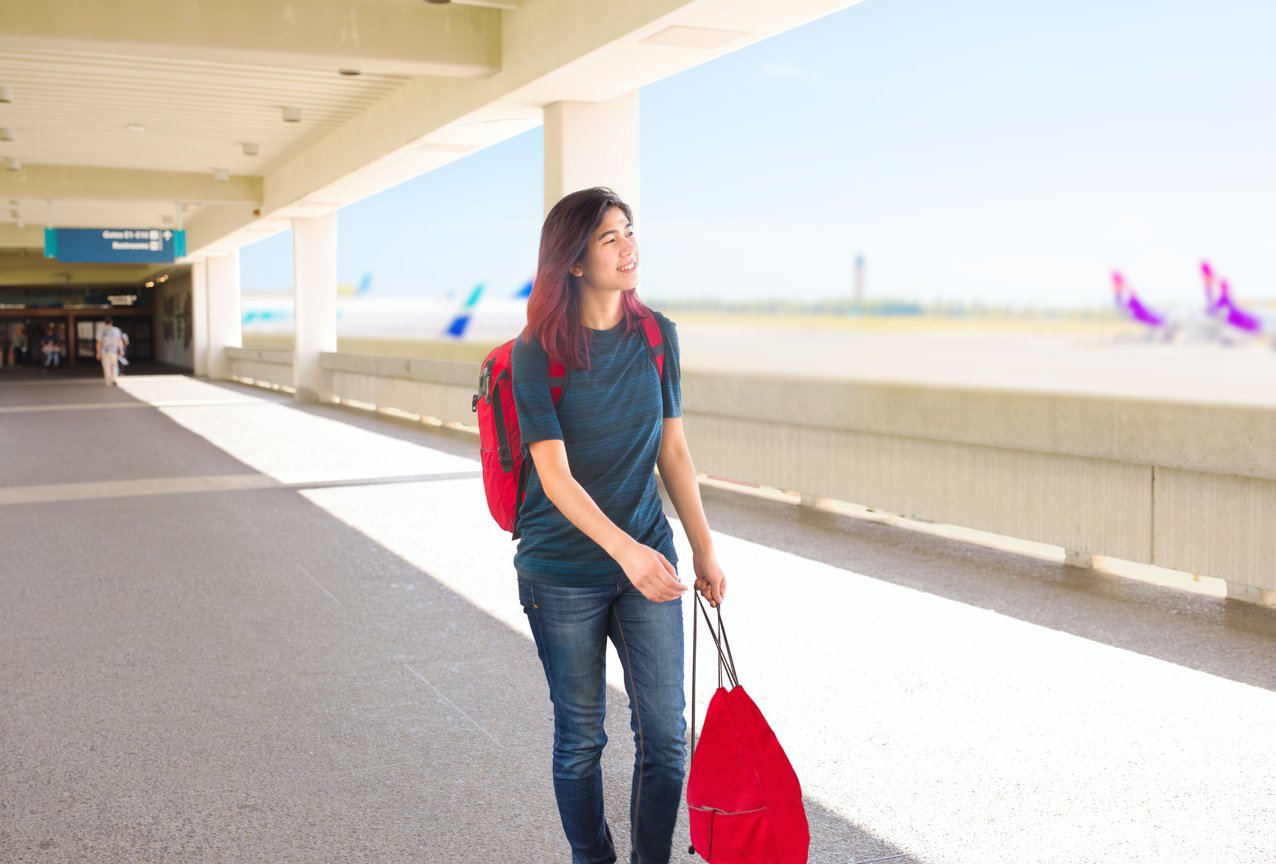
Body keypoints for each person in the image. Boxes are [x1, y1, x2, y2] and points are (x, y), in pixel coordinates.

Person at [512, 187, 727, 864]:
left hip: (648, 561)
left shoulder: (657, 335)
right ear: (573, 260)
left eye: (629, 232)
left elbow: (674, 452)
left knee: (665, 738)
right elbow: (555, 476)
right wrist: (625, 551)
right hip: (563, 571)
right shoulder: (535, 352)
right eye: (610, 238)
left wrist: (703, 551)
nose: (629, 247)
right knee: (581, 738)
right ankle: (592, 858)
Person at [95, 317, 128, 386]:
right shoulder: (116, 330)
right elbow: (119, 341)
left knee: (107, 367)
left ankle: (108, 382)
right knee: (114, 366)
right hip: (114, 352)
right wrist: (121, 350)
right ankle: (114, 379)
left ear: (105, 323)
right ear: (111, 323)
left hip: (105, 352)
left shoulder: (101, 331)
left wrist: (98, 352)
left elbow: (98, 343)